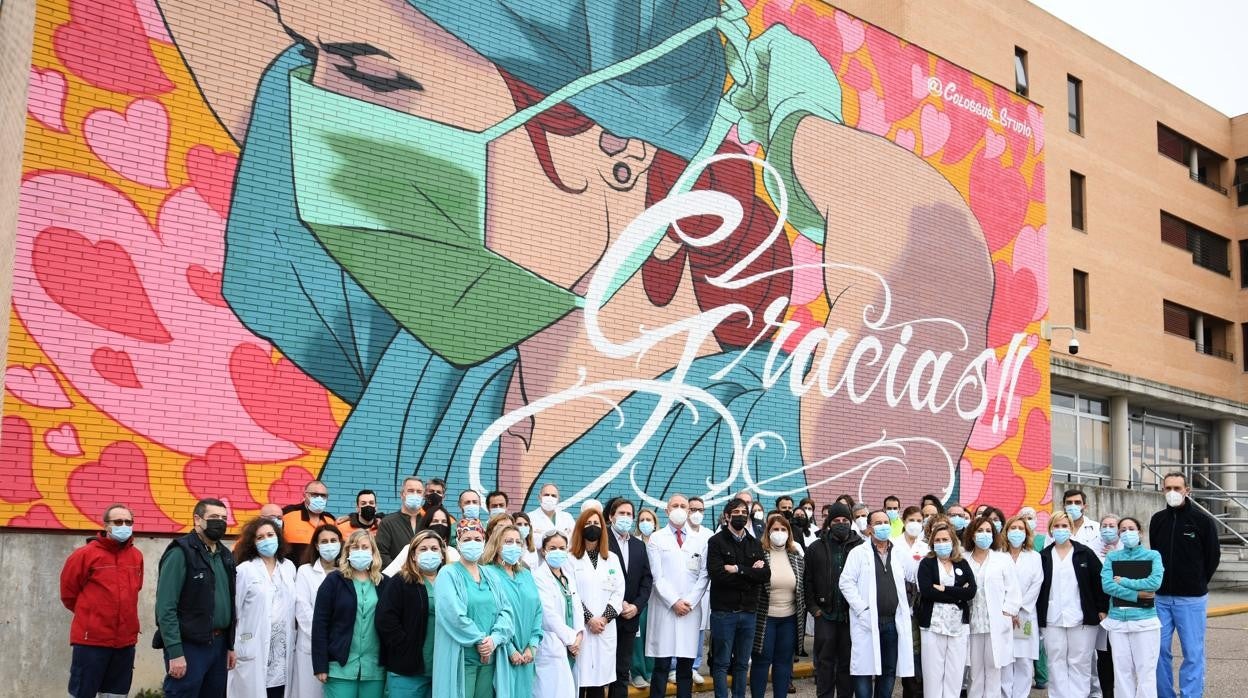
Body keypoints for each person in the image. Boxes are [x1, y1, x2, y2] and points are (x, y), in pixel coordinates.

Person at [155, 498, 237, 698]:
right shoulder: (180, 553)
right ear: (197, 520)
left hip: (219, 645)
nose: (220, 522)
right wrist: (175, 652)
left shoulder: (225, 555)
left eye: (224, 518)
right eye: (214, 517)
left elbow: (230, 602)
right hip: (189, 646)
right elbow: (166, 608)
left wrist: (230, 645)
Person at [60, 503, 144, 698]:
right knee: (82, 693)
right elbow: (69, 594)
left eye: (128, 522)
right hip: (92, 641)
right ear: (106, 525)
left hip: (125, 643)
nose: (124, 525)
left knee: (116, 694)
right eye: (118, 521)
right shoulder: (85, 555)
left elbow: (135, 590)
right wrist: (92, 616)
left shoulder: (136, 556)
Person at [1150, 472, 1220, 698]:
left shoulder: (1202, 521)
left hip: (1191, 599)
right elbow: (1155, 556)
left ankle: (1190, 695)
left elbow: (1212, 557)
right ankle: (1165, 694)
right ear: (1162, 490)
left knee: (1192, 652)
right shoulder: (1157, 520)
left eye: (1177, 488)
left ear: (1187, 490)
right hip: (1160, 599)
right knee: (1158, 651)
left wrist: (1197, 581)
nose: (1172, 492)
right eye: (1168, 488)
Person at [432, 518, 514, 698]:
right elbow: (452, 615)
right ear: (458, 543)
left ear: (484, 542)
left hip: (490, 659)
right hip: (462, 658)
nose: (473, 543)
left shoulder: (491, 575)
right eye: (467, 539)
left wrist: (493, 640)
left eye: (477, 539)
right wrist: (480, 641)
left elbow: (506, 612)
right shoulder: (448, 574)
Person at [839, 510, 915, 698]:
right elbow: (845, 582)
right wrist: (862, 609)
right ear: (870, 528)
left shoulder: (899, 552)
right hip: (866, 620)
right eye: (878, 523)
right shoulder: (858, 552)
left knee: (888, 670)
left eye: (886, 522)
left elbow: (914, 575)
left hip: (892, 622)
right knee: (864, 669)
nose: (883, 526)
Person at [1038, 511, 1108, 698]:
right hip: (1052, 618)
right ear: (1051, 530)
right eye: (1057, 526)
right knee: (1055, 661)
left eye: (1065, 526)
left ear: (1071, 528)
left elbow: (1098, 582)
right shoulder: (1043, 556)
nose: (1061, 530)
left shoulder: (1085, 553)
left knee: (1080, 662)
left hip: (1082, 618)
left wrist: (1102, 608)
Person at [646, 494, 709, 698]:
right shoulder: (657, 538)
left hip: (690, 609)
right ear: (667, 510)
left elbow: (704, 574)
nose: (680, 509)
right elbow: (657, 577)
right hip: (665, 608)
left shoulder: (700, 540)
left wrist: (688, 602)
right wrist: (674, 602)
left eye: (684, 506)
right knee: (662, 666)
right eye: (675, 505)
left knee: (685, 667)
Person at [708, 498, 770, 698]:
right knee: (722, 663)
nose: (741, 515)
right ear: (726, 516)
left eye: (745, 511)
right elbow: (718, 575)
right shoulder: (716, 542)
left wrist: (737, 570)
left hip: (748, 613)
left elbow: (765, 575)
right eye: (736, 511)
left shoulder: (754, 543)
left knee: (743, 663)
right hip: (724, 613)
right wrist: (750, 574)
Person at [229, 517, 297, 698]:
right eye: (260, 537)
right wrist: (233, 644)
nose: (266, 540)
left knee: (279, 691)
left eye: (270, 534)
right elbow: (234, 610)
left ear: (278, 537)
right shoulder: (245, 569)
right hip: (252, 645)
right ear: (252, 543)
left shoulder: (289, 567)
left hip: (282, 648)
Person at [311, 530, 384, 698]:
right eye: (355, 547)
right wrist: (320, 664)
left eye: (365, 547)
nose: (360, 550)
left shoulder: (383, 583)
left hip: (374, 670)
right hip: (340, 668)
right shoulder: (334, 581)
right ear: (348, 551)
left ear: (373, 552)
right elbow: (320, 623)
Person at [1101, 517, 1163, 698]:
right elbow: (1107, 586)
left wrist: (1124, 581)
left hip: (1145, 622)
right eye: (1123, 530)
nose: (1127, 533)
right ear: (1119, 534)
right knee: (1121, 672)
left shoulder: (1153, 556)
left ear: (1140, 532)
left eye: (1131, 528)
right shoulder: (1113, 556)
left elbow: (1154, 583)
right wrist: (1137, 595)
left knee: (1146, 671)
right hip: (1117, 622)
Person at [804, 502, 860, 698]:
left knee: (847, 662)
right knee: (825, 663)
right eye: (836, 520)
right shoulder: (815, 548)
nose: (841, 523)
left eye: (845, 520)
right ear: (829, 523)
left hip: (850, 616)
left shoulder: (860, 547)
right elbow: (807, 581)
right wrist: (815, 609)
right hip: (825, 615)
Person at [960, 515, 1021, 698]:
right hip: (972, 624)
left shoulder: (1003, 559)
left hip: (996, 623)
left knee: (994, 671)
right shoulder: (963, 559)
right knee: (975, 673)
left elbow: (1013, 590)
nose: (984, 534)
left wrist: (1007, 612)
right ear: (972, 534)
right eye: (980, 531)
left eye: (988, 531)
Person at [915, 520, 976, 698]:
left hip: (958, 627)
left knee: (955, 674)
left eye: (946, 540)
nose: (942, 544)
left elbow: (971, 591)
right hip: (933, 626)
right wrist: (958, 594)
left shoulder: (962, 563)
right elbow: (927, 591)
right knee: (933, 675)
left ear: (953, 542)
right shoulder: (927, 563)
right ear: (933, 543)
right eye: (938, 540)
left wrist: (944, 589)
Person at [569, 507, 625, 697]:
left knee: (599, 684)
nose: (592, 527)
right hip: (581, 628)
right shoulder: (570, 559)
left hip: (604, 628)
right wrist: (589, 619)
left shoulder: (612, 559)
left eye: (596, 524)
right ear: (580, 527)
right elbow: (571, 594)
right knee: (578, 681)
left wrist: (603, 619)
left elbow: (618, 592)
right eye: (588, 524)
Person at [483, 523, 544, 697]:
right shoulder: (487, 573)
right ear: (497, 545)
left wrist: (532, 645)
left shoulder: (525, 574)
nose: (514, 546)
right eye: (508, 541)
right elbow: (491, 615)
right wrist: (510, 649)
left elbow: (538, 610)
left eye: (518, 542)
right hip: (501, 653)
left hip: (527, 655)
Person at [750, 514, 804, 698]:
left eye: (783, 530)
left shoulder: (796, 555)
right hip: (765, 618)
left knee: (783, 662)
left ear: (789, 533)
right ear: (768, 531)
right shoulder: (758, 553)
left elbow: (801, 587)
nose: (779, 533)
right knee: (761, 661)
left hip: (789, 618)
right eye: (775, 529)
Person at [376, 531, 435, 698]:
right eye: (423, 549)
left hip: (440, 670)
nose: (429, 553)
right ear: (414, 555)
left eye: (434, 548)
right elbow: (385, 619)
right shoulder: (401, 581)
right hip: (407, 670)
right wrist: (403, 646)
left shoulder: (450, 581)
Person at [605, 498, 653, 698]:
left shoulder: (638, 545)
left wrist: (636, 606)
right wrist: (617, 603)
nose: (625, 518)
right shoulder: (602, 540)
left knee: (622, 670)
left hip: (630, 616)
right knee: (600, 669)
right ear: (611, 516)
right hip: (606, 616)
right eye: (621, 513)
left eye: (629, 514)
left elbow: (646, 579)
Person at [292, 524, 342, 698]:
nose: (329, 545)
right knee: (309, 692)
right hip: (310, 645)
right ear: (316, 545)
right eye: (324, 541)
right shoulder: (305, 571)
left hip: (339, 646)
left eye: (333, 541)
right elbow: (302, 609)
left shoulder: (346, 572)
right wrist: (322, 636)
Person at [534, 530, 585, 698]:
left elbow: (577, 607)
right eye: (553, 547)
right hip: (552, 644)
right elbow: (548, 615)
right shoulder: (538, 577)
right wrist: (571, 639)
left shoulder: (568, 576)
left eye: (562, 548)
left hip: (572, 644)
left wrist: (578, 635)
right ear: (544, 551)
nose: (558, 551)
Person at [1000, 515, 1043, 698]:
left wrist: (1018, 609)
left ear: (1027, 533)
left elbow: (1037, 583)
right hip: (1003, 614)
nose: (1017, 532)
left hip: (1025, 615)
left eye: (1021, 529)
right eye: (1013, 528)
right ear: (1006, 531)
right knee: (1004, 659)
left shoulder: (1034, 557)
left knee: (1024, 660)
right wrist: (1008, 610)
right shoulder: (998, 556)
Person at [890, 506, 927, 698]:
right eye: (912, 520)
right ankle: (909, 688)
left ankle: (915, 690)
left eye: (919, 521)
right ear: (904, 521)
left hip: (920, 606)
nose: (915, 524)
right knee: (906, 650)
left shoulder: (925, 547)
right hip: (899, 604)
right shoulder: (894, 544)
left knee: (918, 651)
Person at [631, 508, 661, 688]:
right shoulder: (635, 543)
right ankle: (637, 672)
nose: (645, 523)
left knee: (653, 636)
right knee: (638, 636)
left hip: (658, 598)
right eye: (642, 520)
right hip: (640, 597)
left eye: (649, 519)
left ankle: (651, 671)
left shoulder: (661, 541)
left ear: (655, 523)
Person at [685, 497, 712, 685]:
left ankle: (694, 667)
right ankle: (674, 666)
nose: (696, 513)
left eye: (700, 510)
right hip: (681, 591)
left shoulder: (709, 534)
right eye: (692, 509)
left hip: (702, 590)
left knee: (699, 629)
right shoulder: (679, 533)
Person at [376, 477, 426, 568]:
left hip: (423, 577)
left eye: (419, 492)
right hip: (396, 579)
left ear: (423, 496)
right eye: (411, 491)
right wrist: (400, 573)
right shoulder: (388, 522)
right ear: (402, 494)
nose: (415, 494)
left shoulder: (427, 522)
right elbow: (381, 554)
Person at [284, 481, 337, 562]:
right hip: (292, 572)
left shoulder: (330, 520)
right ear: (305, 495)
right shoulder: (287, 514)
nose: (319, 498)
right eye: (314, 494)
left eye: (323, 496)